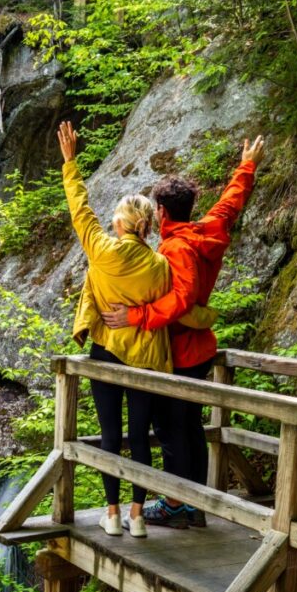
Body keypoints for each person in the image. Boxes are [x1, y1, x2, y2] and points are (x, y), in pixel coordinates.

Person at [58, 120, 214, 538]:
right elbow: (180, 309)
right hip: (146, 359)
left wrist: (70, 162)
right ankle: (138, 515)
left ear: (122, 223)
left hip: (107, 351)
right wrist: (208, 318)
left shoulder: (102, 250)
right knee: (140, 436)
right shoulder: (159, 264)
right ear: (147, 225)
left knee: (111, 434)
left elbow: (80, 209)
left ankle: (110, 515)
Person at [101, 136, 266, 528]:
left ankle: (178, 504)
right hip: (201, 349)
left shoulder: (176, 249)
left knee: (172, 430)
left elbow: (181, 300)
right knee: (190, 426)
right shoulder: (205, 230)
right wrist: (246, 167)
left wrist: (135, 317)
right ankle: (195, 503)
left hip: (179, 351)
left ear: (159, 212)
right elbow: (228, 206)